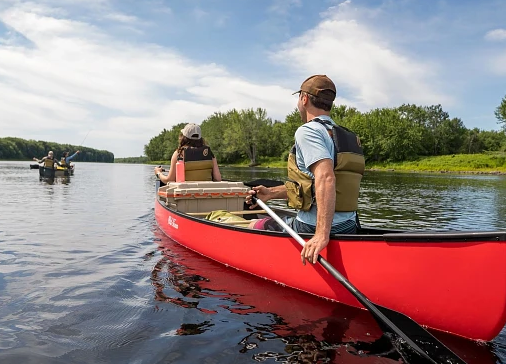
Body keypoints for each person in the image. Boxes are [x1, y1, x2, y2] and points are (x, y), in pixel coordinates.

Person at [247, 75, 365, 265]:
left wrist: (321, 235)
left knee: (254, 224)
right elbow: (312, 186)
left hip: (311, 227)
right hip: (349, 226)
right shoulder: (344, 135)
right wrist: (270, 193)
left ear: (304, 99)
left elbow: (326, 178)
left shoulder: (309, 131)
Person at [154, 123, 222, 183]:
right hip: (205, 194)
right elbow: (217, 179)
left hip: (185, 195)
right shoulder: (209, 153)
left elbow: (169, 180)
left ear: (184, 137)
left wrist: (158, 173)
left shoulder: (179, 153)